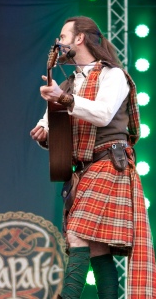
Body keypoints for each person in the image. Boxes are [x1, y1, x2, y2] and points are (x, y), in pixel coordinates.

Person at [30, 15, 156, 299]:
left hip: (111, 164)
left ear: (79, 38)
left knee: (76, 234)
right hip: (85, 170)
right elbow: (52, 127)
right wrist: (44, 131)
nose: (59, 43)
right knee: (97, 246)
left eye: (63, 37)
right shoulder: (69, 84)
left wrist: (61, 99)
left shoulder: (114, 75)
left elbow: (101, 114)